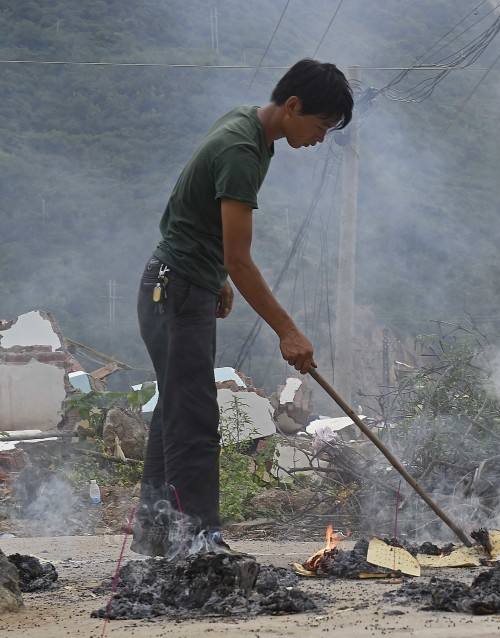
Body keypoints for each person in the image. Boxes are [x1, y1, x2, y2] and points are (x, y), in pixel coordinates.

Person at [132, 60, 353, 556]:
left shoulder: (249, 128)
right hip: (178, 290)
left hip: (182, 283)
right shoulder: (241, 149)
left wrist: (219, 276)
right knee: (193, 416)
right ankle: (200, 542)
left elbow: (199, 217)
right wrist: (288, 331)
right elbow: (240, 253)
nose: (319, 139)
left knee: (177, 406)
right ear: (293, 106)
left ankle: (156, 536)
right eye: (320, 126)